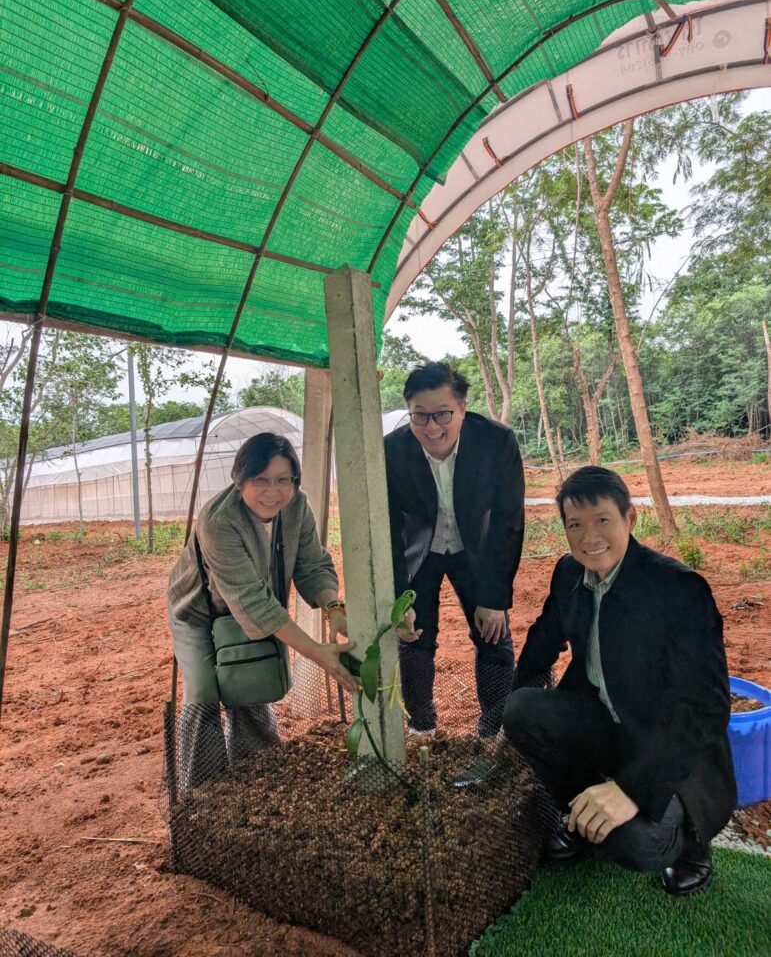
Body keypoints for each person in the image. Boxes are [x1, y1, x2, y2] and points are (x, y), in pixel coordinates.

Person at [502, 466, 735, 896]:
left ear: (630, 518)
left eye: (602, 520)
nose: (589, 536)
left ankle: (691, 844)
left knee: (635, 844)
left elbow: (707, 710)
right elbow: (543, 640)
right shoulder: (569, 573)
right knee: (520, 711)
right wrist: (513, 707)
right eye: (575, 524)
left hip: (669, 743)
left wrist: (631, 789)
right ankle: (584, 817)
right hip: (609, 724)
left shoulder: (678, 589)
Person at [168, 432, 356, 788]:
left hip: (251, 606)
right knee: (203, 692)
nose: (273, 492)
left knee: (249, 682)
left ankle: (257, 774)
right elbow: (252, 601)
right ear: (240, 480)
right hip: (198, 613)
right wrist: (317, 653)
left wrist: (333, 607)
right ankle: (203, 791)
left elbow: (313, 565)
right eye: (261, 480)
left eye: (283, 480)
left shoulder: (297, 507)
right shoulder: (218, 520)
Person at [384, 362, 525, 738]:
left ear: (462, 407)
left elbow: (508, 521)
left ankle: (494, 728)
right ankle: (422, 727)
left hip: (476, 548)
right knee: (413, 634)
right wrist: (399, 596)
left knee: (492, 633)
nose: (432, 427)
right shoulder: (392, 451)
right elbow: (388, 528)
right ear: (409, 411)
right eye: (420, 416)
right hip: (421, 550)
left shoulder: (496, 442)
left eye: (443, 414)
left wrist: (494, 597)